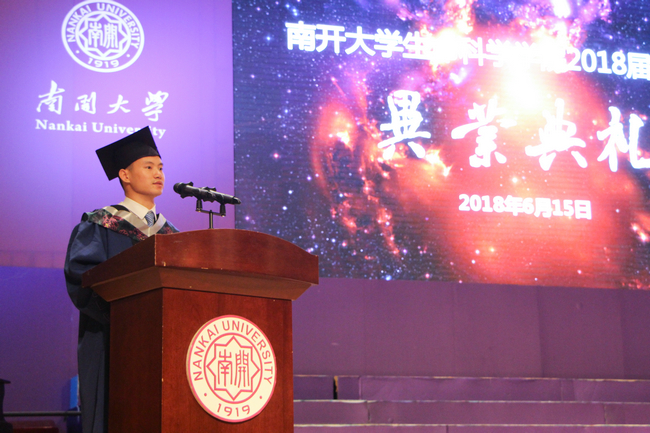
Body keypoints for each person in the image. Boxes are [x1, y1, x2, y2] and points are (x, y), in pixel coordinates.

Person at [64, 127, 179, 433]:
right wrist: (126, 317)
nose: (158, 174)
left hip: (165, 344)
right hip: (111, 339)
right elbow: (82, 279)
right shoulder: (100, 224)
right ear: (125, 175)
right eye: (148, 167)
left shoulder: (173, 236)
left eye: (160, 167)